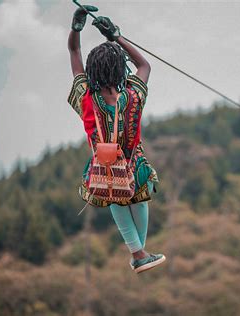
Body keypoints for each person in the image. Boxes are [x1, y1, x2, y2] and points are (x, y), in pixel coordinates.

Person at [67, 5, 165, 274]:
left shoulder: (87, 98)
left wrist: (76, 29)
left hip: (104, 167)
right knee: (137, 199)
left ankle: (138, 253)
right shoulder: (133, 97)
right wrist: (116, 36)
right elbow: (145, 65)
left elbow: (74, 52)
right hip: (137, 165)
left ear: (93, 72)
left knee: (114, 196)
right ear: (121, 69)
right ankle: (138, 253)